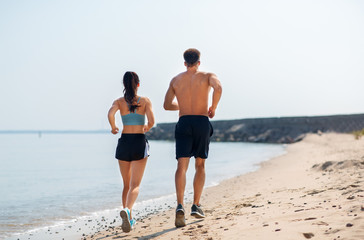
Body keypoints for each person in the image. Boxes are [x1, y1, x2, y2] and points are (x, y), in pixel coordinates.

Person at [163, 48, 222, 227]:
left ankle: (180, 204)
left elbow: (166, 105)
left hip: (184, 122)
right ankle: (196, 205)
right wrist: (213, 106)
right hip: (201, 121)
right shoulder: (207, 75)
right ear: (198, 62)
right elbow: (218, 87)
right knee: (200, 163)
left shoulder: (176, 80)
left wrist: (181, 105)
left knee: (182, 166)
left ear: (184, 63)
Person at [108, 71, 155, 233]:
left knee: (126, 184)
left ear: (124, 85)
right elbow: (152, 121)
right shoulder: (145, 101)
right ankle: (128, 211)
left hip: (124, 142)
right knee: (135, 185)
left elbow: (110, 113)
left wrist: (113, 127)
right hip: (138, 142)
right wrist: (146, 127)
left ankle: (128, 215)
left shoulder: (119, 102)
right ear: (138, 85)